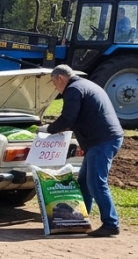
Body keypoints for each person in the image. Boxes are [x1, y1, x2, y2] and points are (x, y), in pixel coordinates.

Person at [42, 65, 124, 237]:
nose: (55, 88)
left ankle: (111, 223)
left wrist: (47, 129)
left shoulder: (72, 90)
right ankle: (78, 219)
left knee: (96, 182)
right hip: (106, 138)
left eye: (54, 83)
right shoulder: (87, 85)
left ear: (60, 79)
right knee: (85, 182)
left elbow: (67, 119)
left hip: (101, 140)